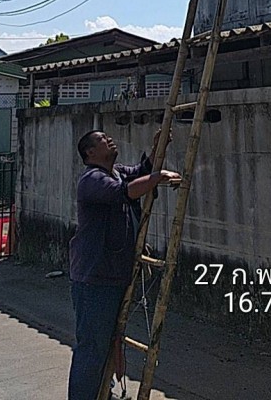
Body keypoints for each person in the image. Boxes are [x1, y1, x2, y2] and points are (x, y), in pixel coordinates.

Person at [68, 129, 181, 400]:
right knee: (92, 347)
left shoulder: (116, 171)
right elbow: (127, 192)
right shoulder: (92, 180)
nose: (108, 139)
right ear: (90, 153)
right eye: (101, 139)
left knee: (108, 343)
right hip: (95, 278)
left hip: (114, 275)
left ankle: (101, 393)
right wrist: (158, 177)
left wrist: (157, 148)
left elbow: (140, 171)